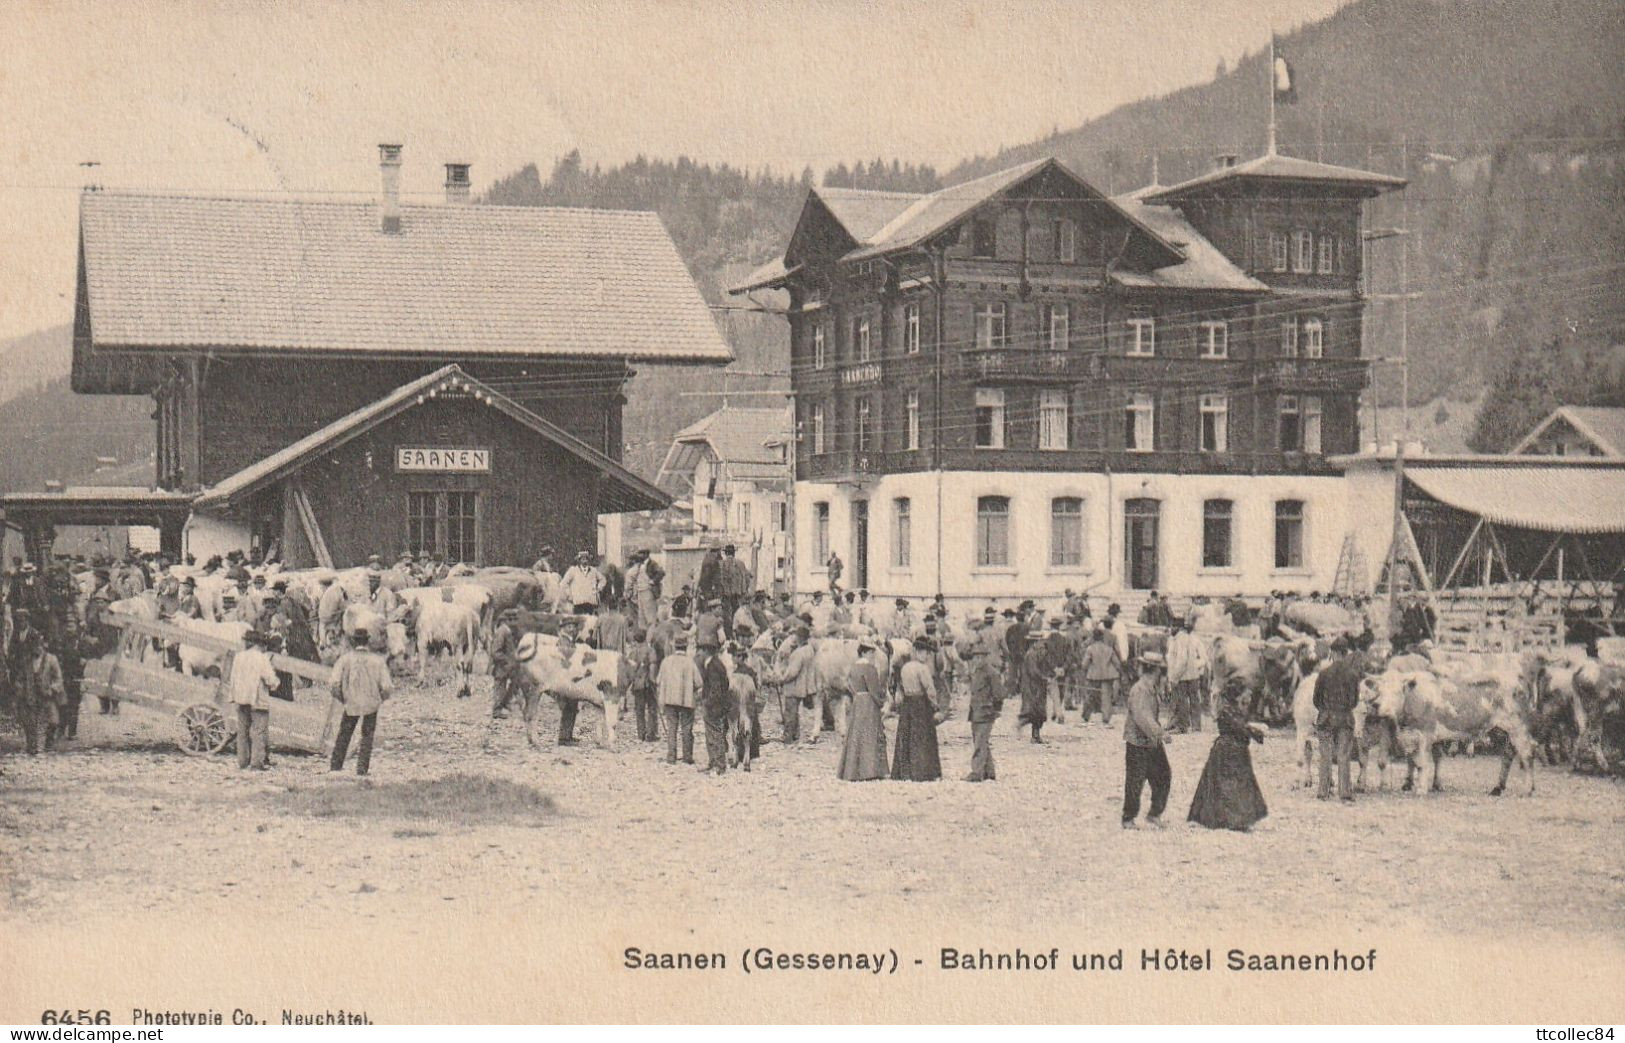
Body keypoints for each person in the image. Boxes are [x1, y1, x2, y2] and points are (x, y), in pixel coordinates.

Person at [1188, 678, 1269, 831]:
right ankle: (1235, 820)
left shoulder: (1233, 708)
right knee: (1231, 786)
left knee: (1227, 786)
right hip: (1228, 751)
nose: (1250, 696)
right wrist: (1257, 733)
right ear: (1239, 695)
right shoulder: (1227, 709)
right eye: (1247, 694)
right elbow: (1240, 727)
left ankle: (1228, 819)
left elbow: (1241, 725)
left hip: (1233, 749)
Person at [329, 627, 394, 775]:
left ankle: (335, 766)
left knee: (344, 733)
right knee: (367, 735)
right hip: (371, 703)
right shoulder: (377, 661)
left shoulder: (344, 659)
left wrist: (342, 698)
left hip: (351, 701)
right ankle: (362, 769)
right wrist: (380, 699)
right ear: (368, 641)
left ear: (353, 641)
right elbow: (387, 687)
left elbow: (333, 684)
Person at [1122, 652, 1172, 829]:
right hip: (1137, 742)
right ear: (1156, 670)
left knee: (1163, 775)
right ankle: (1128, 818)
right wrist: (1160, 733)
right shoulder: (1140, 689)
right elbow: (1142, 717)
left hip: (1151, 742)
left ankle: (1154, 814)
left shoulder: (1151, 687)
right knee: (1135, 780)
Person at [1314, 636, 1361, 803]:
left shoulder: (1323, 674)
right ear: (1346, 653)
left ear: (1333, 653)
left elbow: (1316, 699)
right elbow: (1355, 701)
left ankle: (1323, 791)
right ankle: (1344, 793)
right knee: (1343, 755)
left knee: (1325, 755)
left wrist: (1325, 710)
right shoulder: (1353, 675)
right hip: (1345, 719)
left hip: (1325, 718)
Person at [227, 630, 280, 771]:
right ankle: (257, 763)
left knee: (243, 731)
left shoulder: (239, 657)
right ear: (261, 644)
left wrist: (233, 695)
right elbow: (270, 678)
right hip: (257, 699)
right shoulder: (261, 658)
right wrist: (275, 683)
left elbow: (232, 678)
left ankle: (243, 761)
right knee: (259, 731)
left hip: (241, 697)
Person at [837, 638, 889, 781]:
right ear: (866, 652)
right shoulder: (869, 668)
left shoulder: (853, 667)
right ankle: (870, 770)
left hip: (857, 701)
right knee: (870, 734)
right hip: (869, 703)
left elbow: (848, 685)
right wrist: (882, 700)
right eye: (872, 653)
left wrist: (855, 695)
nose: (873, 656)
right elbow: (874, 689)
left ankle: (852, 770)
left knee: (856, 735)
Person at [891, 638, 942, 782]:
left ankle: (905, 772)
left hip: (907, 704)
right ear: (920, 652)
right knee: (922, 738)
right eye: (926, 653)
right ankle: (922, 771)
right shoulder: (923, 668)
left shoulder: (905, 668)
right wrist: (935, 706)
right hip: (920, 704)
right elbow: (929, 689)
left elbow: (900, 687)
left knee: (906, 737)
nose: (927, 656)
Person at [12, 628, 65, 754]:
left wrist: (52, 689)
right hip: (31, 696)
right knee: (30, 723)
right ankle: (32, 746)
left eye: (39, 645)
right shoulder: (26, 661)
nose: (37, 648)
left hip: (47, 696)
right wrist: (19, 689)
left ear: (43, 646)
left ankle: (49, 743)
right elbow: (19, 679)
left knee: (54, 721)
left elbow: (59, 679)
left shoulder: (52, 660)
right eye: (34, 646)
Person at [656, 632, 700, 764]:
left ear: (675, 647)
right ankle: (687, 757)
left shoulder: (666, 662)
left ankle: (671, 757)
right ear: (686, 647)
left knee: (672, 728)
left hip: (669, 699)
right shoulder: (690, 662)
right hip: (686, 700)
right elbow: (698, 683)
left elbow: (658, 680)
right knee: (687, 729)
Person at [964, 638, 1004, 782]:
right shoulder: (977, 672)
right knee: (981, 741)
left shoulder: (991, 673)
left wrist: (995, 709)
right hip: (975, 712)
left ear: (986, 657)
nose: (978, 659)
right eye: (976, 657)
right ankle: (989, 771)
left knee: (980, 743)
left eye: (981, 656)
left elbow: (999, 693)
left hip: (986, 712)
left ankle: (976, 772)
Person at [774, 627, 818, 744]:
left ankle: (788, 735)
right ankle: (796, 733)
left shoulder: (798, 653)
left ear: (799, 637)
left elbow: (792, 673)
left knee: (789, 712)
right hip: (803, 685)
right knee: (795, 711)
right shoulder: (809, 649)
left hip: (793, 686)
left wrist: (781, 679)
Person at [1165, 618, 1209, 733]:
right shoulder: (1188, 638)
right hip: (1193, 674)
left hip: (1182, 676)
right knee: (1194, 700)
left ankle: (1183, 726)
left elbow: (1182, 660)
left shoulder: (1180, 640)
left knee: (1182, 700)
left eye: (1172, 626)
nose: (1170, 629)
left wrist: (1175, 676)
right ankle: (1196, 726)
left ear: (1178, 627)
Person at [697, 644, 732, 775]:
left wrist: (707, 701)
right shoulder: (717, 664)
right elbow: (726, 683)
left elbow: (715, 689)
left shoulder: (712, 666)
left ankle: (719, 765)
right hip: (718, 704)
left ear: (706, 651)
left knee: (715, 734)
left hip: (714, 706)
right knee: (712, 733)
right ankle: (714, 762)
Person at [1081, 624, 1123, 725]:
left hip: (1093, 676)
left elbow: (1084, 664)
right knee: (1106, 697)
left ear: (1093, 637)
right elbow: (1117, 663)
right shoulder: (1109, 649)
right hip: (1107, 676)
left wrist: (1085, 670)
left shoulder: (1090, 649)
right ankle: (1106, 718)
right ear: (1102, 637)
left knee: (1090, 696)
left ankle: (1086, 716)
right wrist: (1119, 672)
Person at [624, 627, 659, 742]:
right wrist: (653, 680)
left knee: (639, 710)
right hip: (648, 683)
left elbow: (629, 670)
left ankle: (641, 734)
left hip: (637, 684)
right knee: (652, 708)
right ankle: (651, 734)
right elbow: (653, 665)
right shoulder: (650, 650)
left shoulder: (632, 653)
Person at [718, 545, 752, 639]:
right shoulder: (741, 563)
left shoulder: (721, 564)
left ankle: (728, 636)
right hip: (738, 596)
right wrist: (743, 590)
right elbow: (748, 578)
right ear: (734, 553)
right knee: (737, 615)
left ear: (725, 553)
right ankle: (736, 636)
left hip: (725, 595)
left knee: (726, 616)